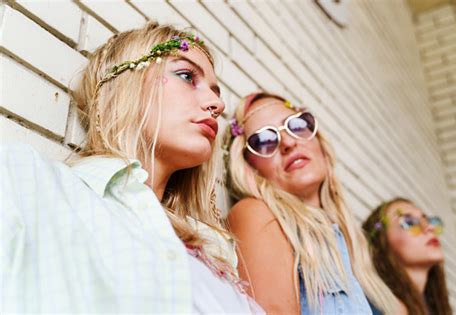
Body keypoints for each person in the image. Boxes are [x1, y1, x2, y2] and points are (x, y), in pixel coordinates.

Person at [1, 23, 262, 313]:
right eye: (187, 76)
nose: (217, 103)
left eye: (216, 92)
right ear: (128, 83)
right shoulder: (28, 183)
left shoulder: (217, 253)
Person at [224, 92, 399, 314]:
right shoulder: (255, 214)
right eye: (264, 140)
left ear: (319, 142)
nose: (288, 142)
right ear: (250, 166)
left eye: (296, 125)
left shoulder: (353, 249)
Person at [362, 198, 452, 315]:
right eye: (410, 222)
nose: (430, 228)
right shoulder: (367, 306)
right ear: (380, 243)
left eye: (428, 221)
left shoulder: (435, 309)